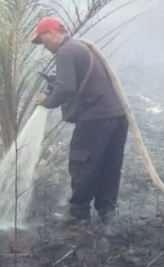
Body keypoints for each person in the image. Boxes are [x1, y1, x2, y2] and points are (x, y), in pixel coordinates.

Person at [32, 17, 128, 234]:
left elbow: (66, 88)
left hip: (95, 118)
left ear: (50, 33)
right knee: (109, 165)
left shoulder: (65, 52)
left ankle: (78, 215)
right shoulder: (81, 48)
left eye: (42, 41)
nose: (44, 47)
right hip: (117, 116)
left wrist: (48, 101)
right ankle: (107, 214)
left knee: (82, 162)